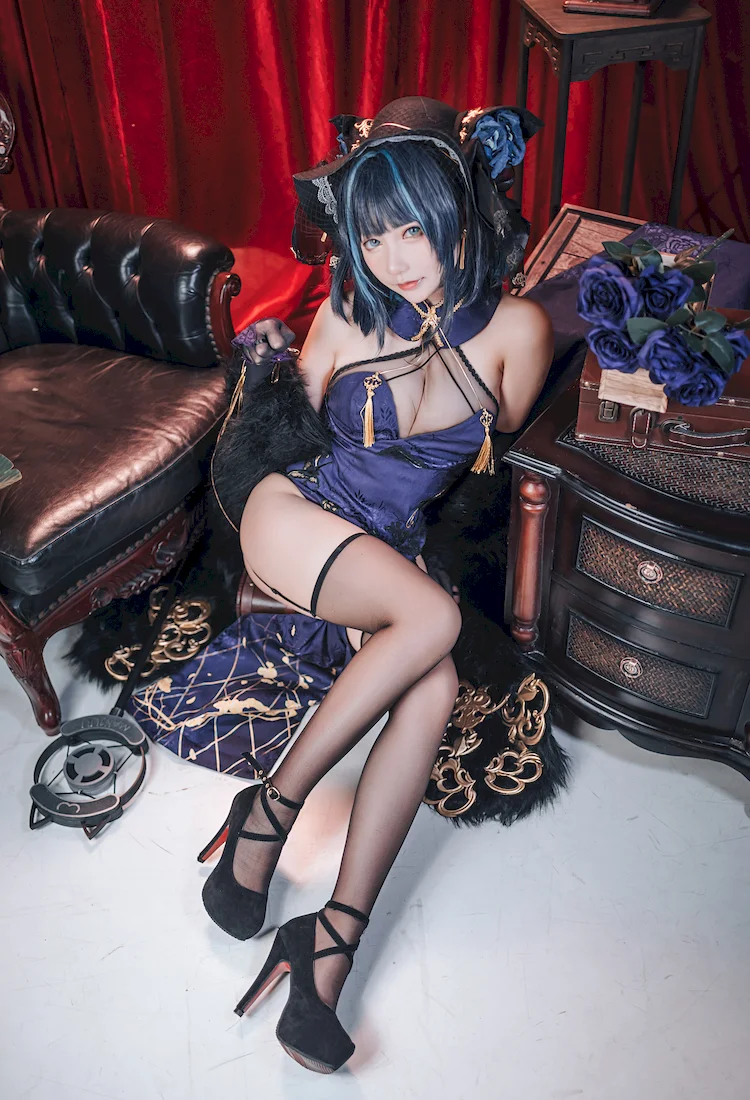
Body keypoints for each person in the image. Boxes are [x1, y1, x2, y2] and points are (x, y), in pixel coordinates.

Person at [200, 96, 554, 1074]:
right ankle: (269, 810)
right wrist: (280, 370)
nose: (394, 257)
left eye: (413, 229)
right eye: (372, 234)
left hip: (385, 554)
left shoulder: (519, 331)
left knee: (435, 684)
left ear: (460, 213)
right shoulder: (347, 313)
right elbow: (283, 438)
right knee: (431, 617)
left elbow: (499, 442)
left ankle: (329, 942)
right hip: (295, 513)